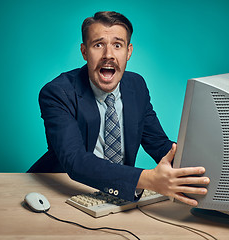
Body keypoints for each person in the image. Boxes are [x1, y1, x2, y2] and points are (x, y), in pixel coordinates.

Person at [28, 11, 209, 206]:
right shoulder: (57, 93)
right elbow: (75, 161)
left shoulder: (136, 86)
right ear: (84, 52)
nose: (108, 55)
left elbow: (159, 145)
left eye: (117, 45)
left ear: (128, 51)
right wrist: (148, 179)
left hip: (118, 195)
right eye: (98, 45)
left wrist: (206, 171)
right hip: (60, 195)